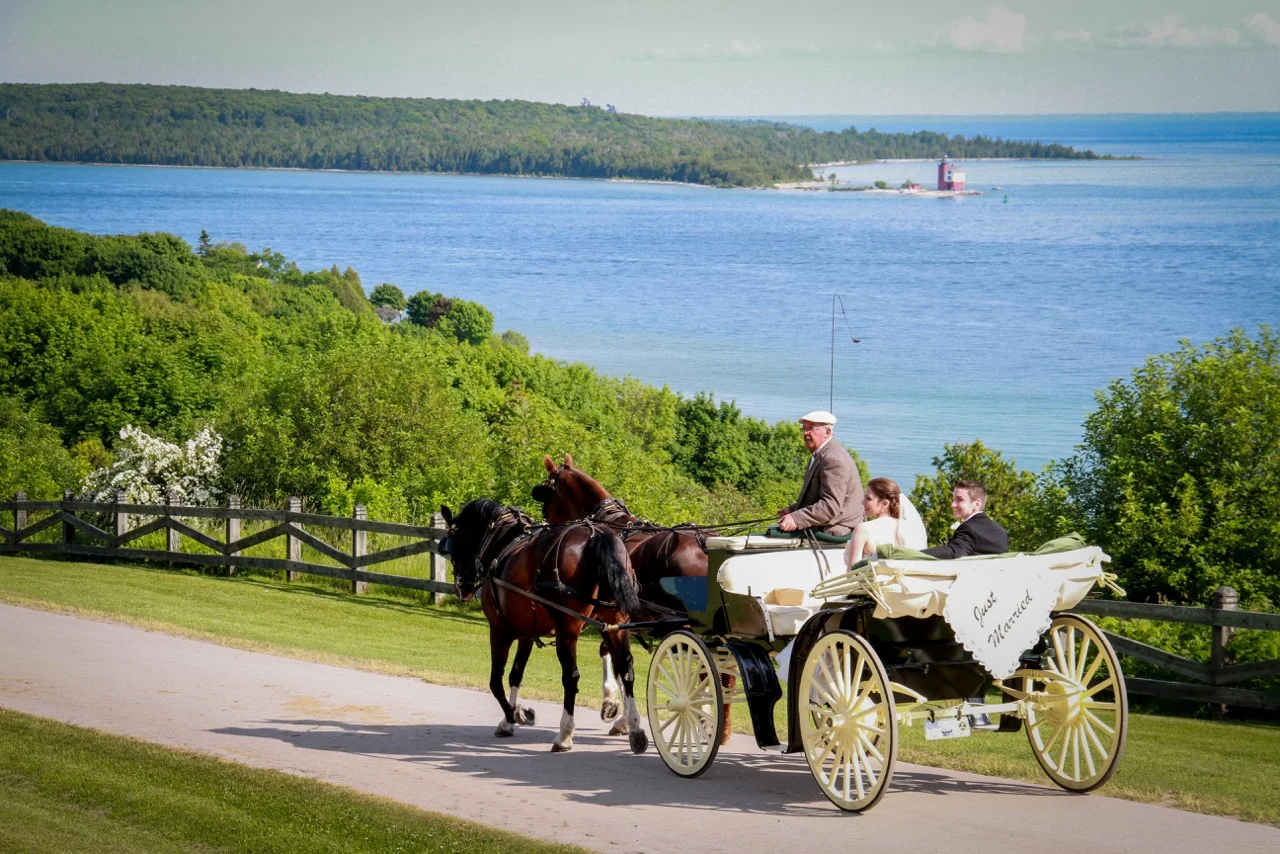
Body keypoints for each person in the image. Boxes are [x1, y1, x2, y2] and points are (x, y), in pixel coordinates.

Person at [773, 410, 863, 540]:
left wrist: (796, 518)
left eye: (811, 428)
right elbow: (817, 498)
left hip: (835, 532)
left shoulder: (833, 459)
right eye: (804, 428)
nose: (805, 433)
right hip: (826, 525)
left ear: (827, 432)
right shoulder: (821, 455)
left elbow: (830, 506)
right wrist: (793, 509)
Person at [843, 477, 928, 567]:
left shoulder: (863, 529)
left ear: (885, 504)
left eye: (868, 498)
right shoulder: (906, 528)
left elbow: (852, 571)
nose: (863, 502)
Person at [922, 480, 1008, 558]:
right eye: (953, 499)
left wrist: (917, 555)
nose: (953, 505)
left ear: (977, 504)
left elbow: (954, 551)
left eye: (959, 500)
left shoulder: (968, 528)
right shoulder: (1001, 531)